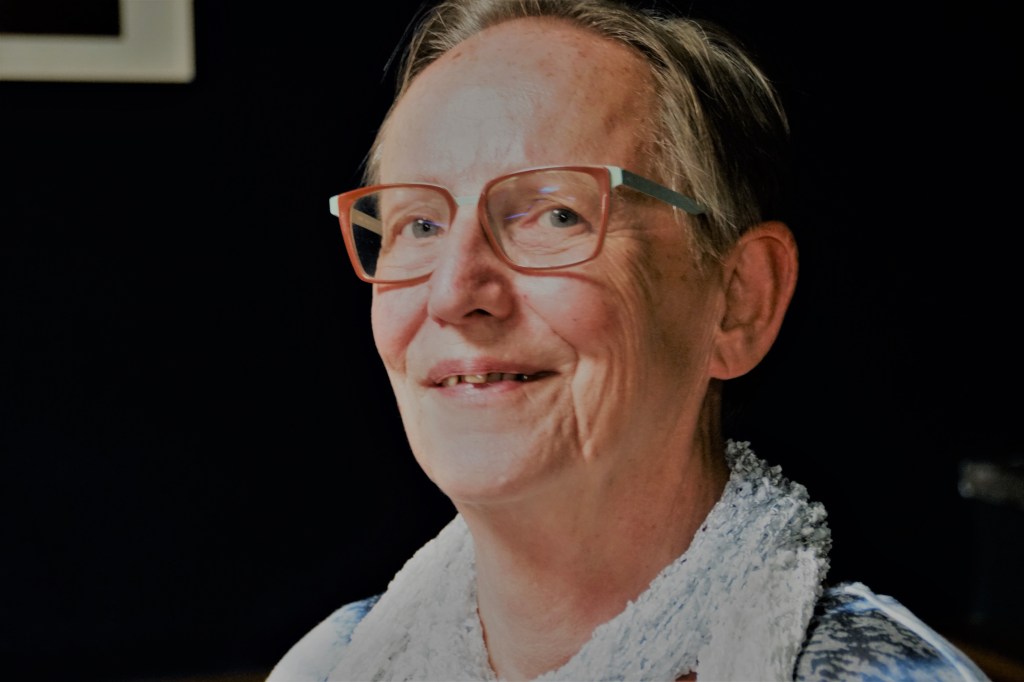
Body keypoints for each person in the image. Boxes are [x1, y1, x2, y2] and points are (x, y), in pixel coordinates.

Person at [269, 0, 991, 679]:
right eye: (419, 225)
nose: (454, 293)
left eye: (556, 214)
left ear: (740, 301)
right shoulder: (325, 666)